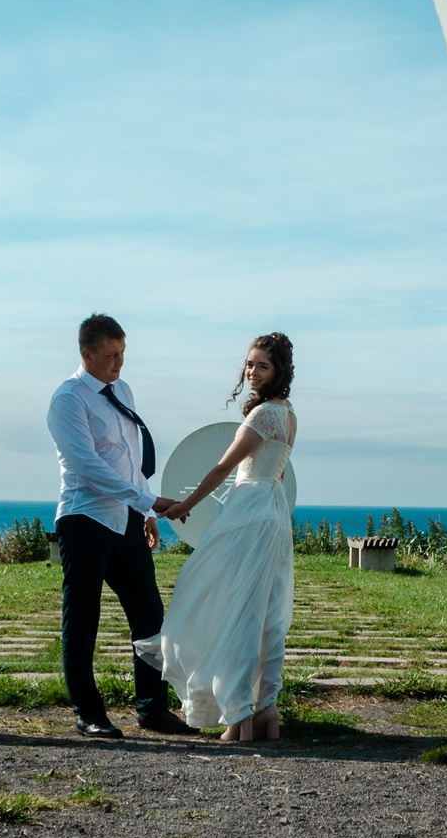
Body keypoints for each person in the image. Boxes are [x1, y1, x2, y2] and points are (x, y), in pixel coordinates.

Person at [46, 314, 196, 739]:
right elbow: (89, 468)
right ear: (86, 354)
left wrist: (146, 512)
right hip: (85, 519)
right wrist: (150, 501)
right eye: (111, 355)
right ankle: (89, 713)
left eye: (123, 353)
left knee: (150, 616)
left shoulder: (122, 392)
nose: (119, 363)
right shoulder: (68, 400)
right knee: (83, 618)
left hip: (127, 519)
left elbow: (130, 460)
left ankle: (152, 709)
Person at [144, 332, 297, 742]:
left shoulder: (263, 414)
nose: (251, 371)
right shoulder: (289, 414)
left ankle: (238, 715)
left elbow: (221, 469)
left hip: (250, 509)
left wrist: (182, 505)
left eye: (261, 365)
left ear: (278, 371)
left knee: (235, 606)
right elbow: (277, 473)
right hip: (273, 509)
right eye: (249, 364)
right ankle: (265, 709)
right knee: (264, 611)